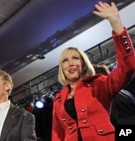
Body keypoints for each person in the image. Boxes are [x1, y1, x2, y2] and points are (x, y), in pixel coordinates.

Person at [51, 1, 135, 141]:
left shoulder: (100, 84)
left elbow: (128, 66)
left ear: (83, 64)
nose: (70, 63)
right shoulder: (58, 99)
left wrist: (117, 25)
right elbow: (57, 135)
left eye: (75, 58)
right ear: (62, 68)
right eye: (65, 60)